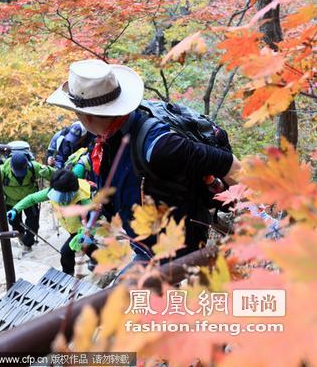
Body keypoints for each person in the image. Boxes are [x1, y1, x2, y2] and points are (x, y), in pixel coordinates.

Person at [47, 59, 241, 268]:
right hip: (148, 251)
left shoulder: (159, 146)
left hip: (181, 257)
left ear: (87, 117)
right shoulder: (107, 141)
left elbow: (230, 165)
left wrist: (257, 214)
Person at [7, 169, 97, 275]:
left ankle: (67, 275)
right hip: (72, 228)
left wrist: (85, 235)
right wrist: (15, 209)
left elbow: (95, 223)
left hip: (81, 230)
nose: (59, 200)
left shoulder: (84, 201)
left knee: (66, 252)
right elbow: (31, 199)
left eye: (61, 197)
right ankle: (99, 260)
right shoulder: (54, 190)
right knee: (86, 246)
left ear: (71, 192)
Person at [0, 151, 54, 251]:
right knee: (15, 223)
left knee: (33, 224)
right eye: (17, 172)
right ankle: (20, 237)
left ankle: (28, 244)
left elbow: (56, 176)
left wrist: (48, 171)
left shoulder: (33, 167)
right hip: (11, 202)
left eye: (23, 171)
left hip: (31, 200)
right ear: (11, 167)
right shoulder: (2, 171)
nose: (20, 175)